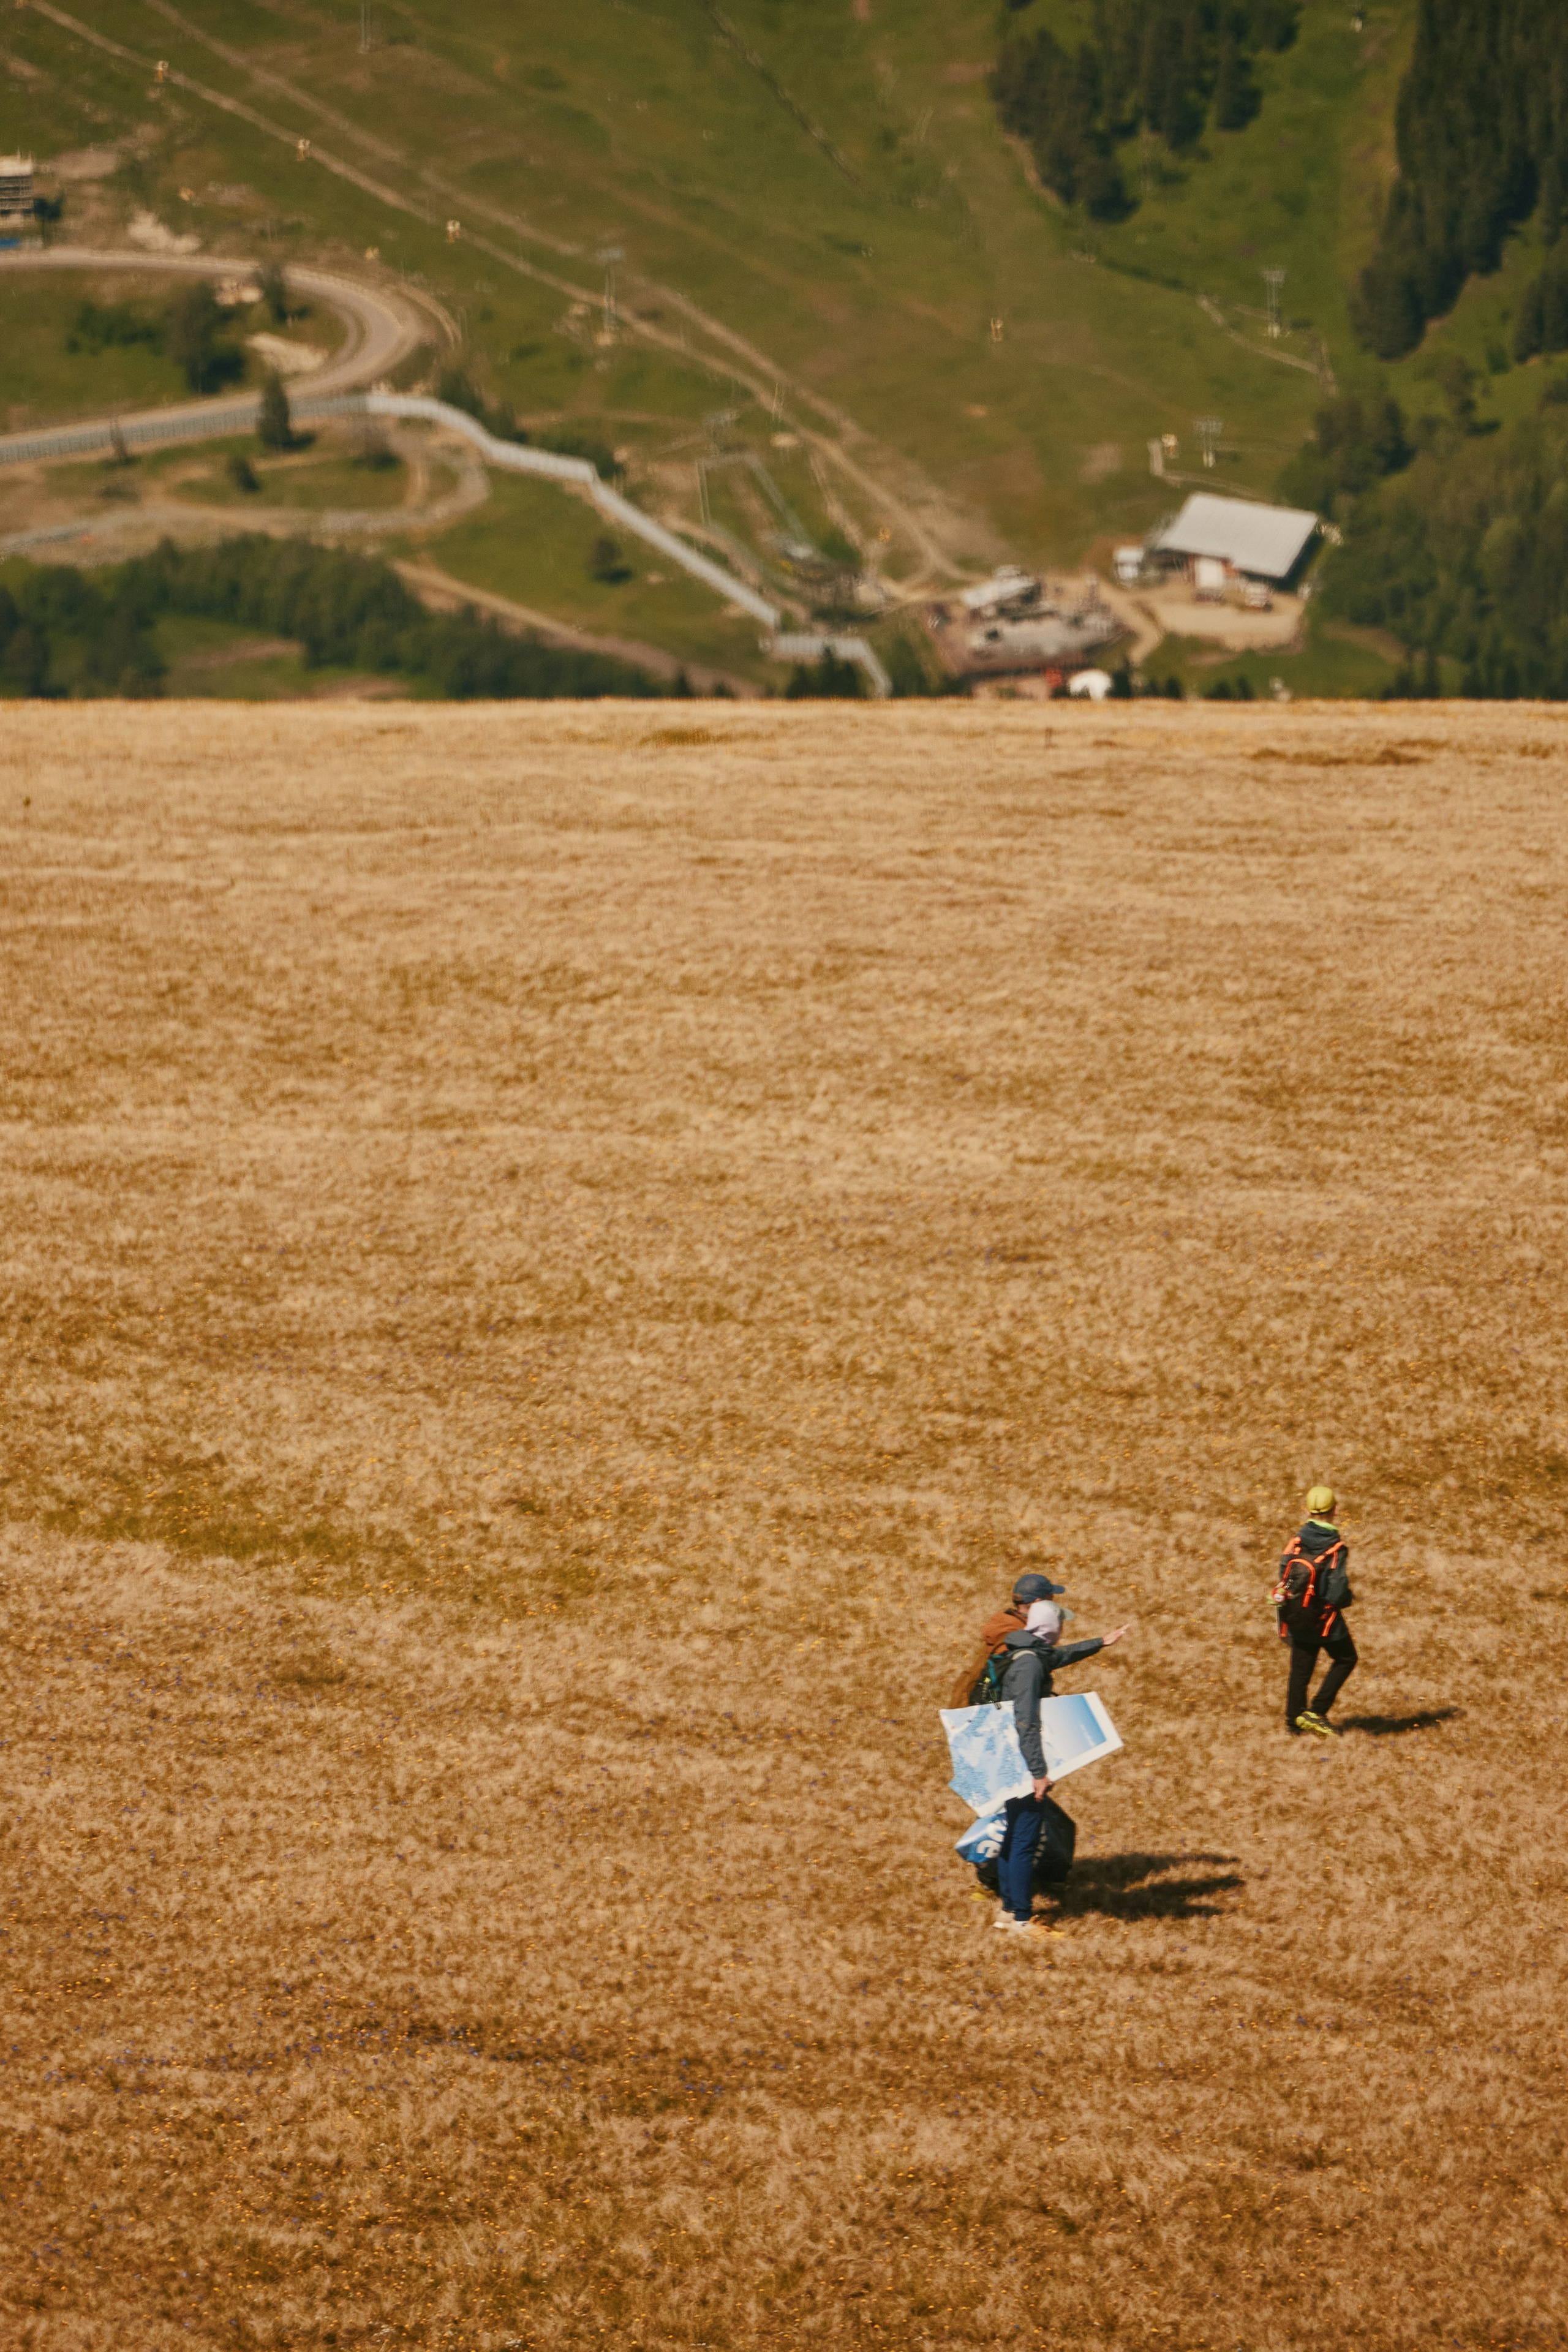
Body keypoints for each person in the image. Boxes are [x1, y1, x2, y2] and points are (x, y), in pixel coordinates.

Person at [992, 1599, 1130, 1942]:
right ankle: (1021, 1919)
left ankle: (1008, 1911)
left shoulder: (1029, 1651)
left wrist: (1100, 1642)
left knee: (1015, 1833)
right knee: (1024, 1836)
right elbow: (1026, 1722)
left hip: (1013, 1758)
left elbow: (1060, 1656)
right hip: (1023, 1762)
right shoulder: (1030, 1667)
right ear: (1051, 1627)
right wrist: (1038, 1773)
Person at [1275, 1485, 1357, 1740]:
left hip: (1297, 1615)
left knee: (1300, 1669)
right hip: (1324, 1621)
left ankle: (1293, 1723)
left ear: (1308, 1510)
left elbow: (1284, 1574)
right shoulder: (1335, 1547)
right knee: (1346, 1659)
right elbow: (1336, 1591)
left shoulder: (1297, 1542)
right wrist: (1348, 1599)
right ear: (1335, 1510)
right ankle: (1317, 1712)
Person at [948, 1569, 1069, 1710]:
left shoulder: (1006, 1624)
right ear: (1038, 1603)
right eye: (1051, 1600)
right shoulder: (1019, 1640)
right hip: (998, 1715)